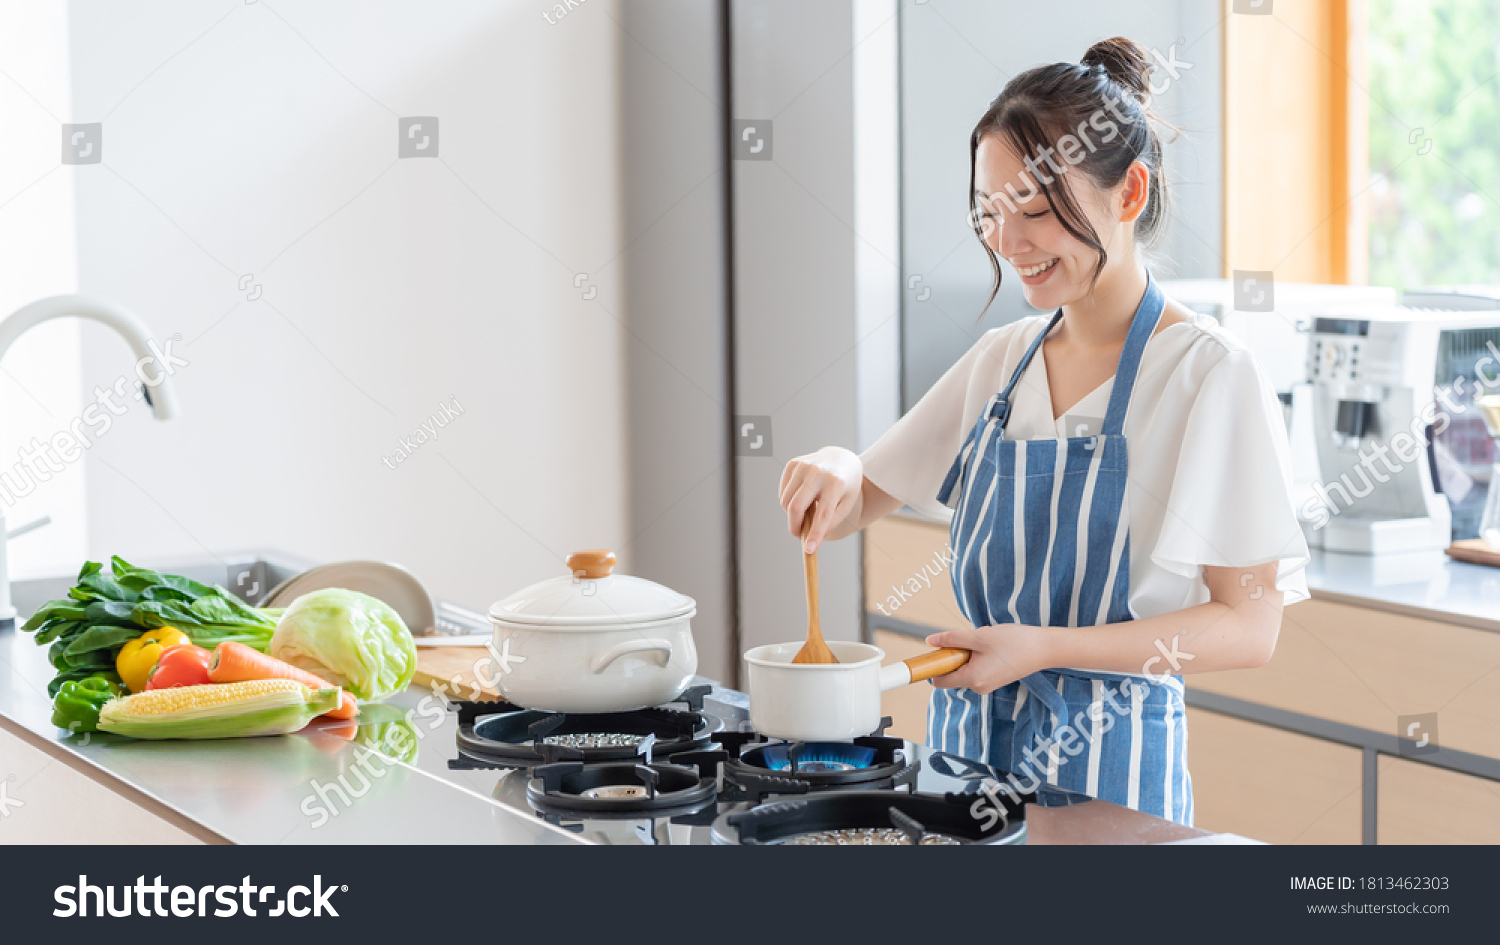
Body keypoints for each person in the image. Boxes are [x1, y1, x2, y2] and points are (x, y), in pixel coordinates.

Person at [777, 37, 1309, 824]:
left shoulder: (1207, 374)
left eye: (1033, 210)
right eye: (991, 213)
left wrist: (1048, 647)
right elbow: (861, 496)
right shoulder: (1004, 363)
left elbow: (1250, 625)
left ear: (1129, 193)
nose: (1007, 241)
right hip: (967, 770)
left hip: (1113, 785)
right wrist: (832, 464)